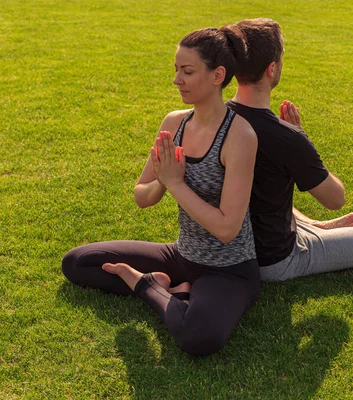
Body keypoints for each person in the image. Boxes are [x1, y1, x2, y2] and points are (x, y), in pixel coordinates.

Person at [62, 26, 259, 356]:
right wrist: (162, 182)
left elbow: (227, 229)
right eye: (176, 70)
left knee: (199, 338)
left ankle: (148, 285)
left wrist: (176, 184)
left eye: (187, 71)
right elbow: (142, 195)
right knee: (78, 263)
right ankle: (177, 289)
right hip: (181, 256)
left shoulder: (240, 137)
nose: (176, 80)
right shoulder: (174, 123)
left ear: (217, 76)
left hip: (228, 270)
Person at [226, 18, 353, 282]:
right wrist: (301, 142)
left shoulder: (215, 117)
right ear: (272, 68)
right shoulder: (284, 136)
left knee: (264, 189)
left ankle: (316, 227)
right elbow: (334, 199)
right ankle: (315, 231)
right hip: (275, 260)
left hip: (230, 251)